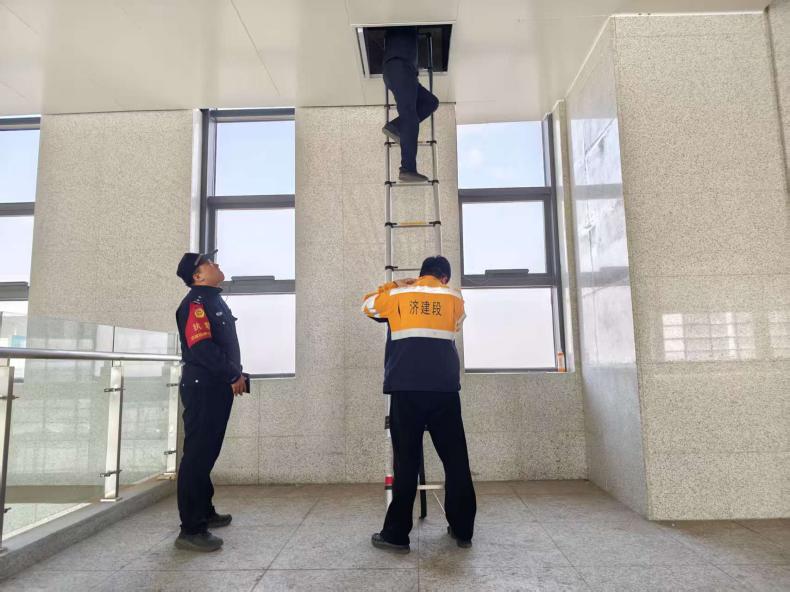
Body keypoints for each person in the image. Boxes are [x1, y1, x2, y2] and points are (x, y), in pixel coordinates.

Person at [362, 256, 476, 553]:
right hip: (444, 390)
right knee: (456, 460)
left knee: (406, 462)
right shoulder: (454, 298)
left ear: (421, 273)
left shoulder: (399, 295)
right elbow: (455, 325)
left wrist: (394, 285)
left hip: (406, 389)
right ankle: (463, 529)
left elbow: (368, 305)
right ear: (444, 278)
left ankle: (397, 535)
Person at [174, 250, 248, 552]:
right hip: (203, 387)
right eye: (208, 263)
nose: (216, 264)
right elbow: (202, 347)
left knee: (207, 453)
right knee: (197, 456)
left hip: (214, 386)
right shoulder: (196, 303)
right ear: (197, 275)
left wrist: (234, 374)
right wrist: (232, 374)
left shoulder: (212, 300)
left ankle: (204, 511)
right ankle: (191, 529)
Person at [381, 26, 440, 183]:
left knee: (431, 102)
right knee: (410, 115)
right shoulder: (401, 20)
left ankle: (395, 127)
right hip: (398, 66)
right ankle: (407, 169)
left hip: (405, 71)